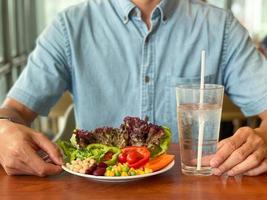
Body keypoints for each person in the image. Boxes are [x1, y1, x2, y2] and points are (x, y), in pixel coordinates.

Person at [0, 0, 267, 177]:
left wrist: (263, 137)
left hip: (193, 187)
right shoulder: (69, 27)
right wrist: (3, 130)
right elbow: (14, 110)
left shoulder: (220, 27)